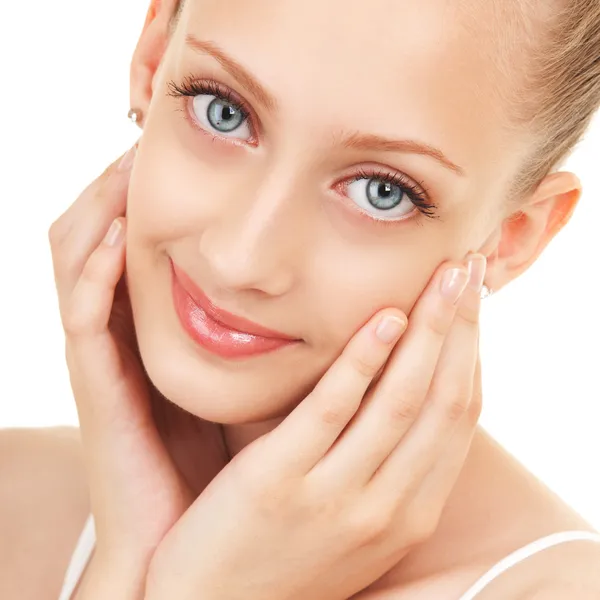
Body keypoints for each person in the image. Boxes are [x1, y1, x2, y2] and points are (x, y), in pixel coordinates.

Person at [2, 0, 600, 598]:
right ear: (154, 59)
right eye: (224, 111)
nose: (240, 259)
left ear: (512, 236)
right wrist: (131, 562)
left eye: (381, 191)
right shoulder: (16, 502)